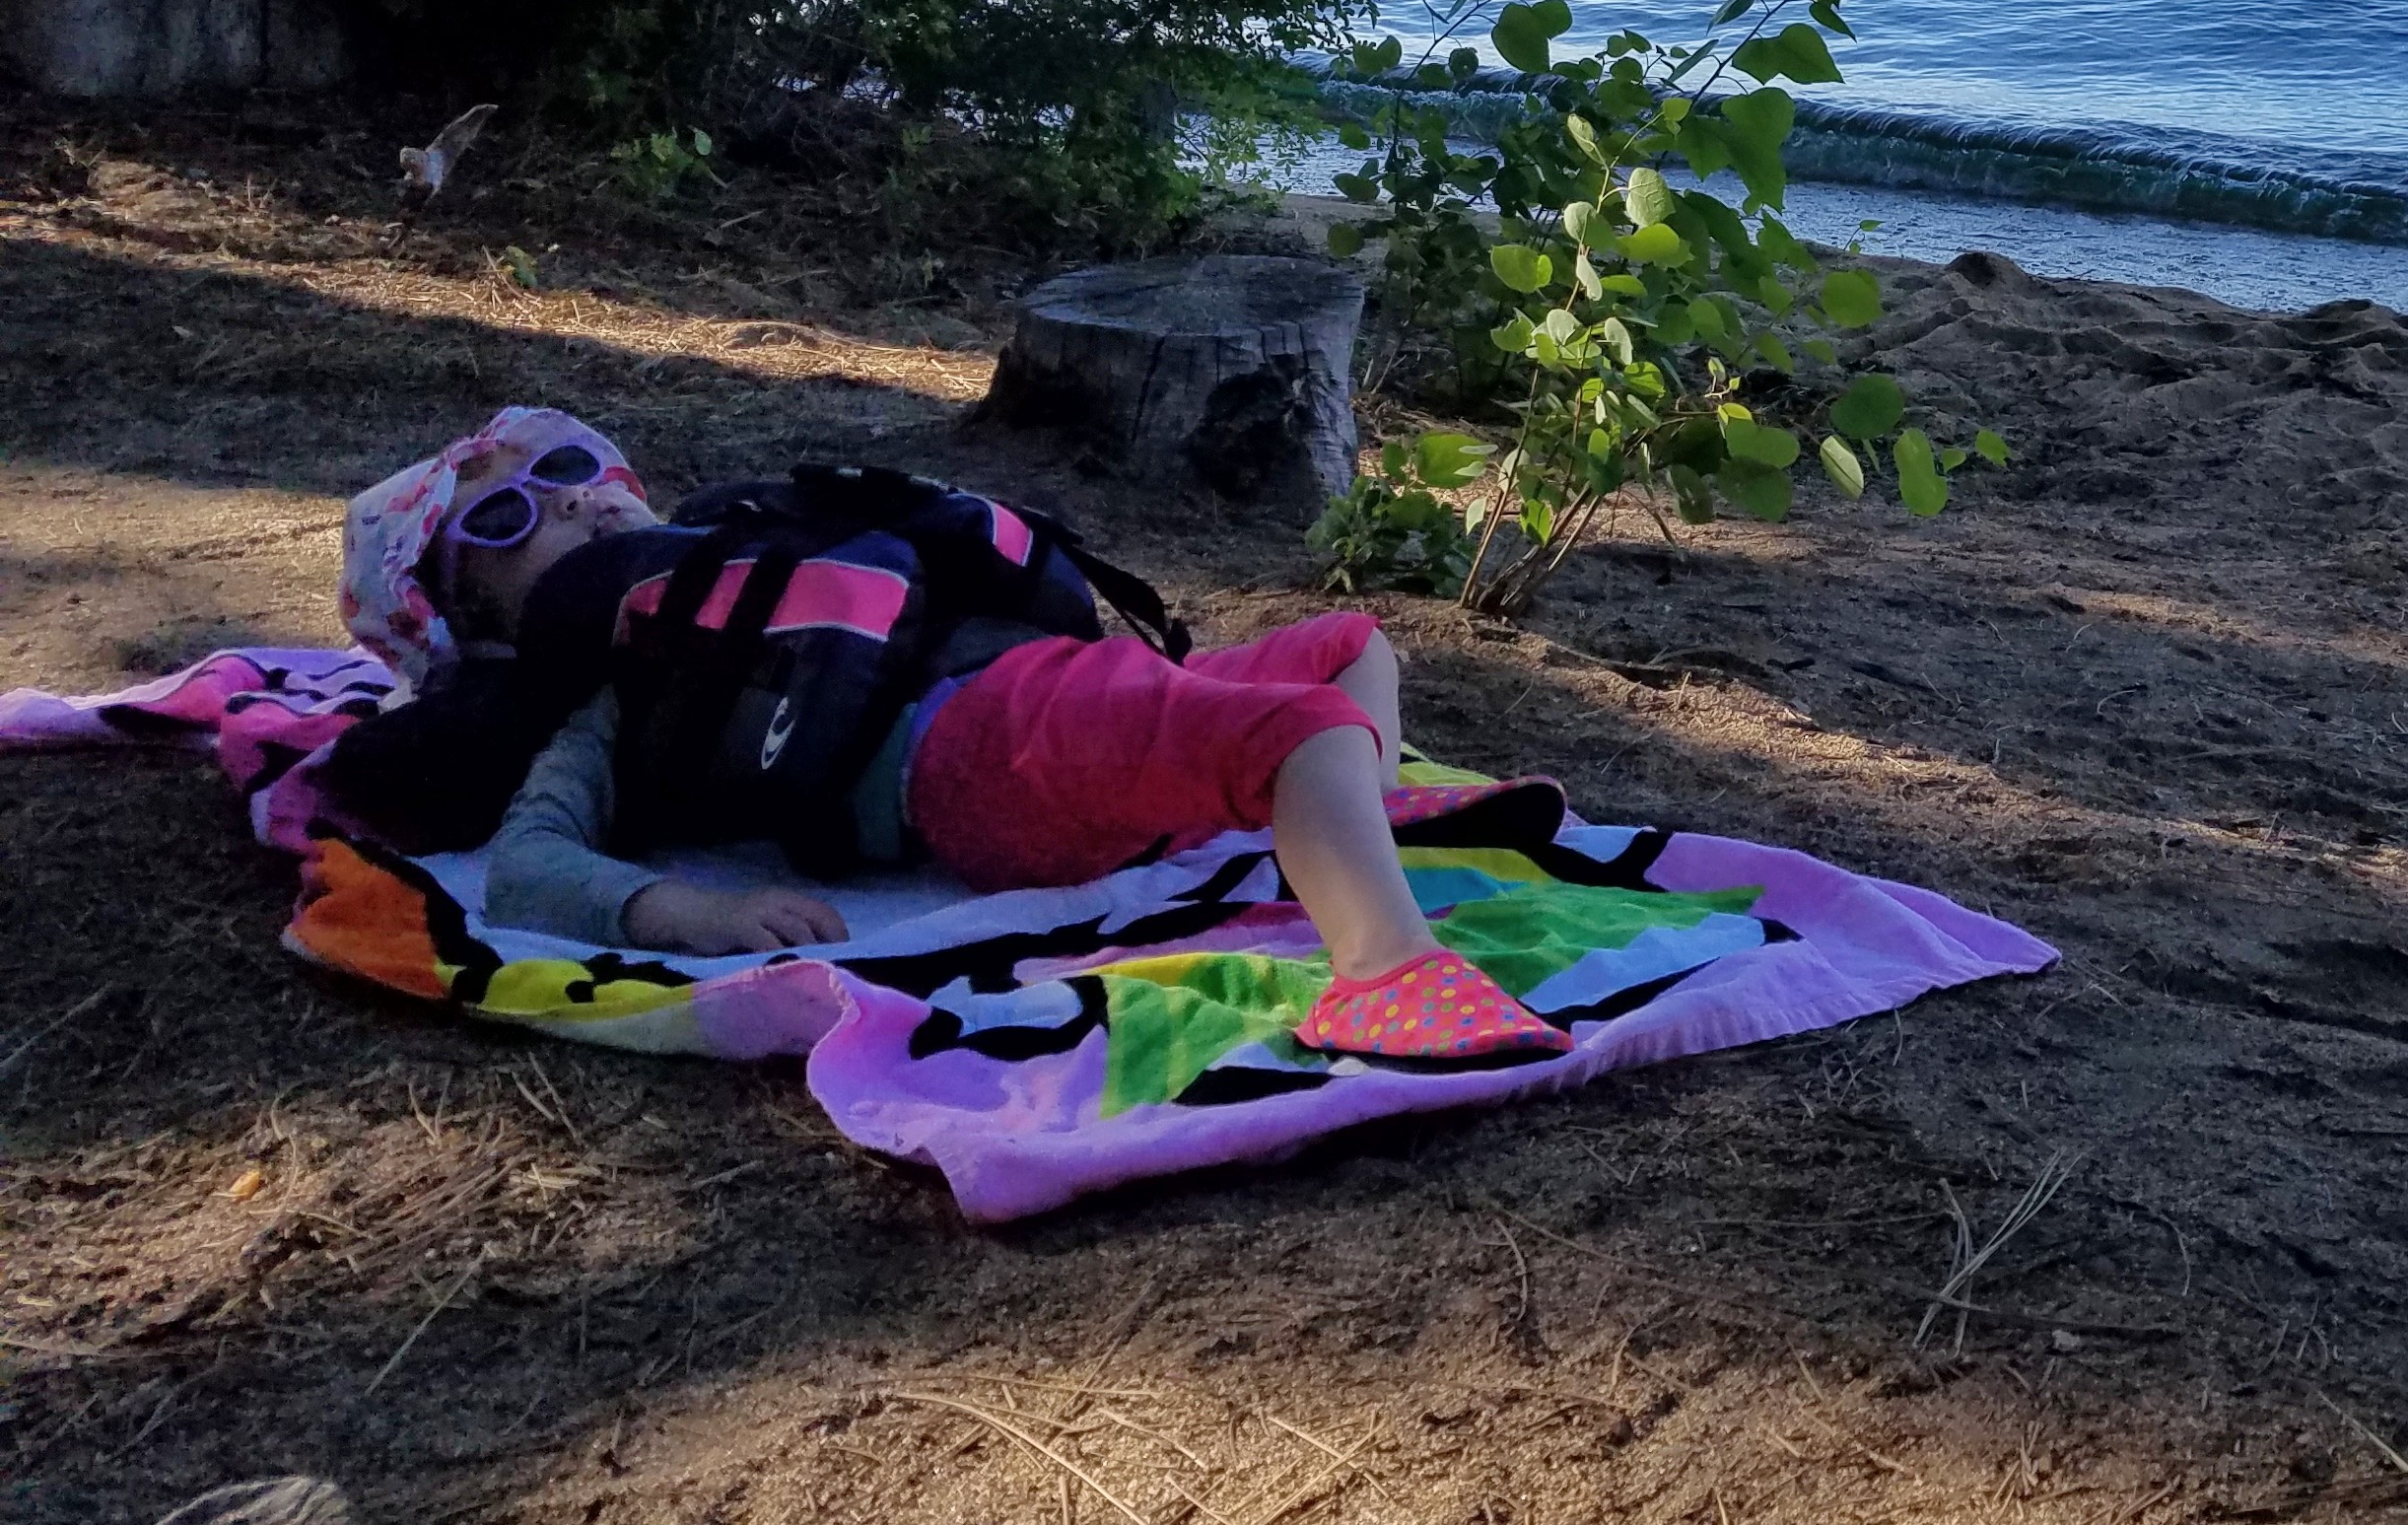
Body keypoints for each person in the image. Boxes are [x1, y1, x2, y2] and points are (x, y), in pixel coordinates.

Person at [331, 408, 1562, 1065]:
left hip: (1048, 685)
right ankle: (1383, 975)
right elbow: (530, 866)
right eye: (504, 521)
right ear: (472, 620)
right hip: (975, 765)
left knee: (1349, 644)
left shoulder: (748, 550)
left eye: (569, 464)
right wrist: (684, 915)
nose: (568, 498)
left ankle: (1361, 826)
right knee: (1297, 727)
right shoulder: (603, 692)